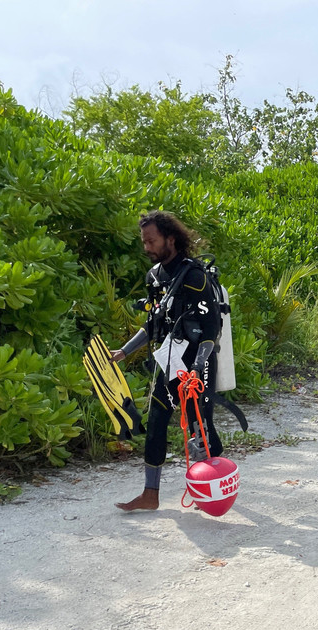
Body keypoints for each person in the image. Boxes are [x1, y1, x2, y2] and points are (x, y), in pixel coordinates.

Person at [111, 210, 224, 511]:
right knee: (157, 420)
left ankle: (214, 489)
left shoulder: (195, 277)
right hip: (171, 362)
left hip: (199, 362)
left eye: (152, 241)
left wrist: (199, 365)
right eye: (144, 241)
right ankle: (150, 494)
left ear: (170, 239)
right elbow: (154, 325)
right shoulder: (155, 277)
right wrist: (123, 351)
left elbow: (213, 328)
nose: (146, 247)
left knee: (201, 427)